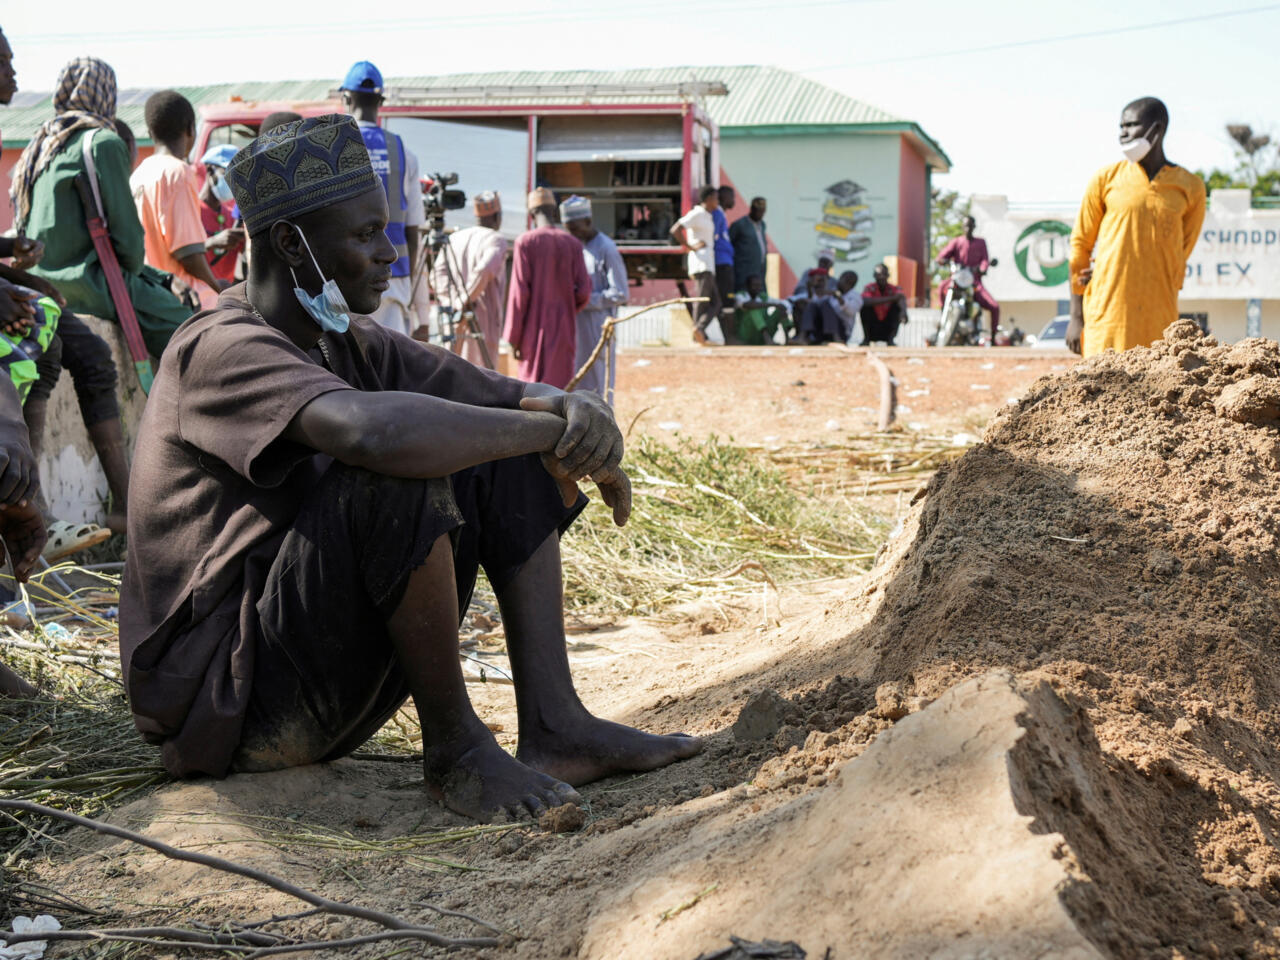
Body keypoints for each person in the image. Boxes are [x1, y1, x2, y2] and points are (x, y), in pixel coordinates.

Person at [118, 115, 700, 821]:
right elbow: (369, 434)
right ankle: (455, 749)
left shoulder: (347, 342)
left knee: (495, 449)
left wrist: (578, 417)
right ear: (289, 244)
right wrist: (538, 426)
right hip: (227, 703)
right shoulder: (219, 346)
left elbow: (506, 395)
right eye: (365, 235)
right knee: (400, 464)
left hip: (309, 678)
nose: (391, 253)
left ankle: (556, 725)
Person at [10, 57, 187, 540]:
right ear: (106, 94)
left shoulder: (40, 145)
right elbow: (128, 246)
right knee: (190, 329)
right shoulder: (102, 141)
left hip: (40, 281)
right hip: (90, 280)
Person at [1067, 97, 1206, 357]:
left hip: (1160, 318)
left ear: (1157, 129)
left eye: (1130, 125)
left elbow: (1181, 250)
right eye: (1120, 126)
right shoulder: (1105, 179)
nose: (1122, 133)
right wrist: (1076, 317)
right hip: (1106, 316)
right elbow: (1079, 247)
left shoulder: (1191, 187)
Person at [340, 61, 425, 337]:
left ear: (346, 98)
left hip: (346, 275)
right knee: (390, 368)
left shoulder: (335, 146)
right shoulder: (403, 152)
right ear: (380, 101)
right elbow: (413, 231)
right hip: (393, 276)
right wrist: (407, 284)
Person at [131, 90, 231, 311]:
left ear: (150, 132)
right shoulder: (178, 172)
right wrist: (217, 287)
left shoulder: (139, 173)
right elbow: (188, 254)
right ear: (190, 129)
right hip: (186, 299)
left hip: (153, 289)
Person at [503, 188, 591, 388]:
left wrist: (513, 337)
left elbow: (519, 294)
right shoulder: (573, 243)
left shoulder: (525, 242)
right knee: (560, 391)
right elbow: (584, 291)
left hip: (531, 332)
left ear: (531, 214)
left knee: (531, 393)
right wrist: (567, 308)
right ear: (554, 212)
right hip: (563, 328)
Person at [562, 195, 628, 404]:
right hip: (576, 324)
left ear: (588, 222)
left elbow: (620, 293)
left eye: (576, 228)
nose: (572, 233)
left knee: (598, 381)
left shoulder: (606, 248)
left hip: (597, 324)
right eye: (569, 229)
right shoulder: (576, 246)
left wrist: (584, 300)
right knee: (577, 378)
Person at [431, 190, 507, 368]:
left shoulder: (455, 237)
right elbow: (486, 270)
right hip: (482, 319)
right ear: (497, 216)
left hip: (453, 317)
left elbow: (436, 274)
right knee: (483, 378)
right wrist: (464, 302)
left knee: (453, 370)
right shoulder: (496, 239)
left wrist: (451, 301)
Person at [936, 215, 999, 341]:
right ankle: (943, 315)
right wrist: (943, 260)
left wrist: (982, 269)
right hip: (957, 279)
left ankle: (992, 337)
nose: (968, 228)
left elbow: (985, 261)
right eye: (966, 225)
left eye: (970, 225)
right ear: (962, 227)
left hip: (974, 281)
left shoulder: (981, 243)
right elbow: (942, 256)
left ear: (974, 227)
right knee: (941, 287)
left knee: (994, 307)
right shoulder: (957, 242)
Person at [670, 185, 719, 345]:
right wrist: (688, 247)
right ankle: (697, 330)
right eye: (715, 198)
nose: (717, 201)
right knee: (703, 298)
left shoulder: (707, 216)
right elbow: (676, 229)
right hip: (701, 263)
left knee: (716, 302)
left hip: (708, 263)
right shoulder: (697, 213)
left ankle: (698, 329)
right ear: (708, 199)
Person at [197, 144, 246, 286]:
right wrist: (211, 243)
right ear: (209, 170)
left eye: (236, 176)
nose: (232, 181)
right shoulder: (191, 212)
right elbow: (181, 253)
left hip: (223, 297)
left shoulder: (232, 217)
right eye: (227, 173)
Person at [797, 270, 862, 344]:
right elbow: (815, 303)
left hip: (842, 332)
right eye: (842, 279)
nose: (841, 282)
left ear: (851, 284)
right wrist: (810, 289)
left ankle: (836, 338)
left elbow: (851, 311)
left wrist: (839, 297)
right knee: (812, 305)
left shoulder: (856, 296)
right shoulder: (831, 292)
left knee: (826, 304)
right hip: (823, 330)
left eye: (845, 280)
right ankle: (802, 337)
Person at [733, 274, 790, 345]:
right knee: (753, 309)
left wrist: (780, 306)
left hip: (760, 338)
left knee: (780, 309)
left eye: (759, 285)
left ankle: (788, 340)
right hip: (746, 336)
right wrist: (773, 305)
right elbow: (749, 305)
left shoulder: (763, 296)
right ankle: (767, 339)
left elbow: (784, 303)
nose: (758, 288)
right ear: (747, 286)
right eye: (754, 285)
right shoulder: (740, 295)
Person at [860, 264, 908, 346]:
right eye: (879, 275)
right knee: (865, 308)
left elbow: (900, 297)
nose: (881, 277)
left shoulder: (895, 288)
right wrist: (892, 298)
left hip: (887, 326)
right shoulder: (869, 288)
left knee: (897, 308)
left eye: (884, 274)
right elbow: (866, 301)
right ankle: (866, 339)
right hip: (873, 326)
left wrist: (903, 312)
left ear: (888, 275)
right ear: (874, 276)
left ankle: (890, 339)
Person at [729, 196, 768, 292]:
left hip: (759, 270)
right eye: (758, 211)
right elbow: (729, 244)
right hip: (744, 270)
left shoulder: (762, 225)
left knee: (760, 295)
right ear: (751, 209)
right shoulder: (740, 224)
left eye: (762, 211)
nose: (760, 214)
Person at [713, 185, 736, 341]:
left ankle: (729, 337)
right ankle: (730, 337)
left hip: (725, 261)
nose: (733, 200)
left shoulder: (721, 214)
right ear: (723, 198)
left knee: (722, 300)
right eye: (731, 196)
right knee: (726, 300)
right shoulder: (716, 214)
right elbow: (712, 237)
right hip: (720, 262)